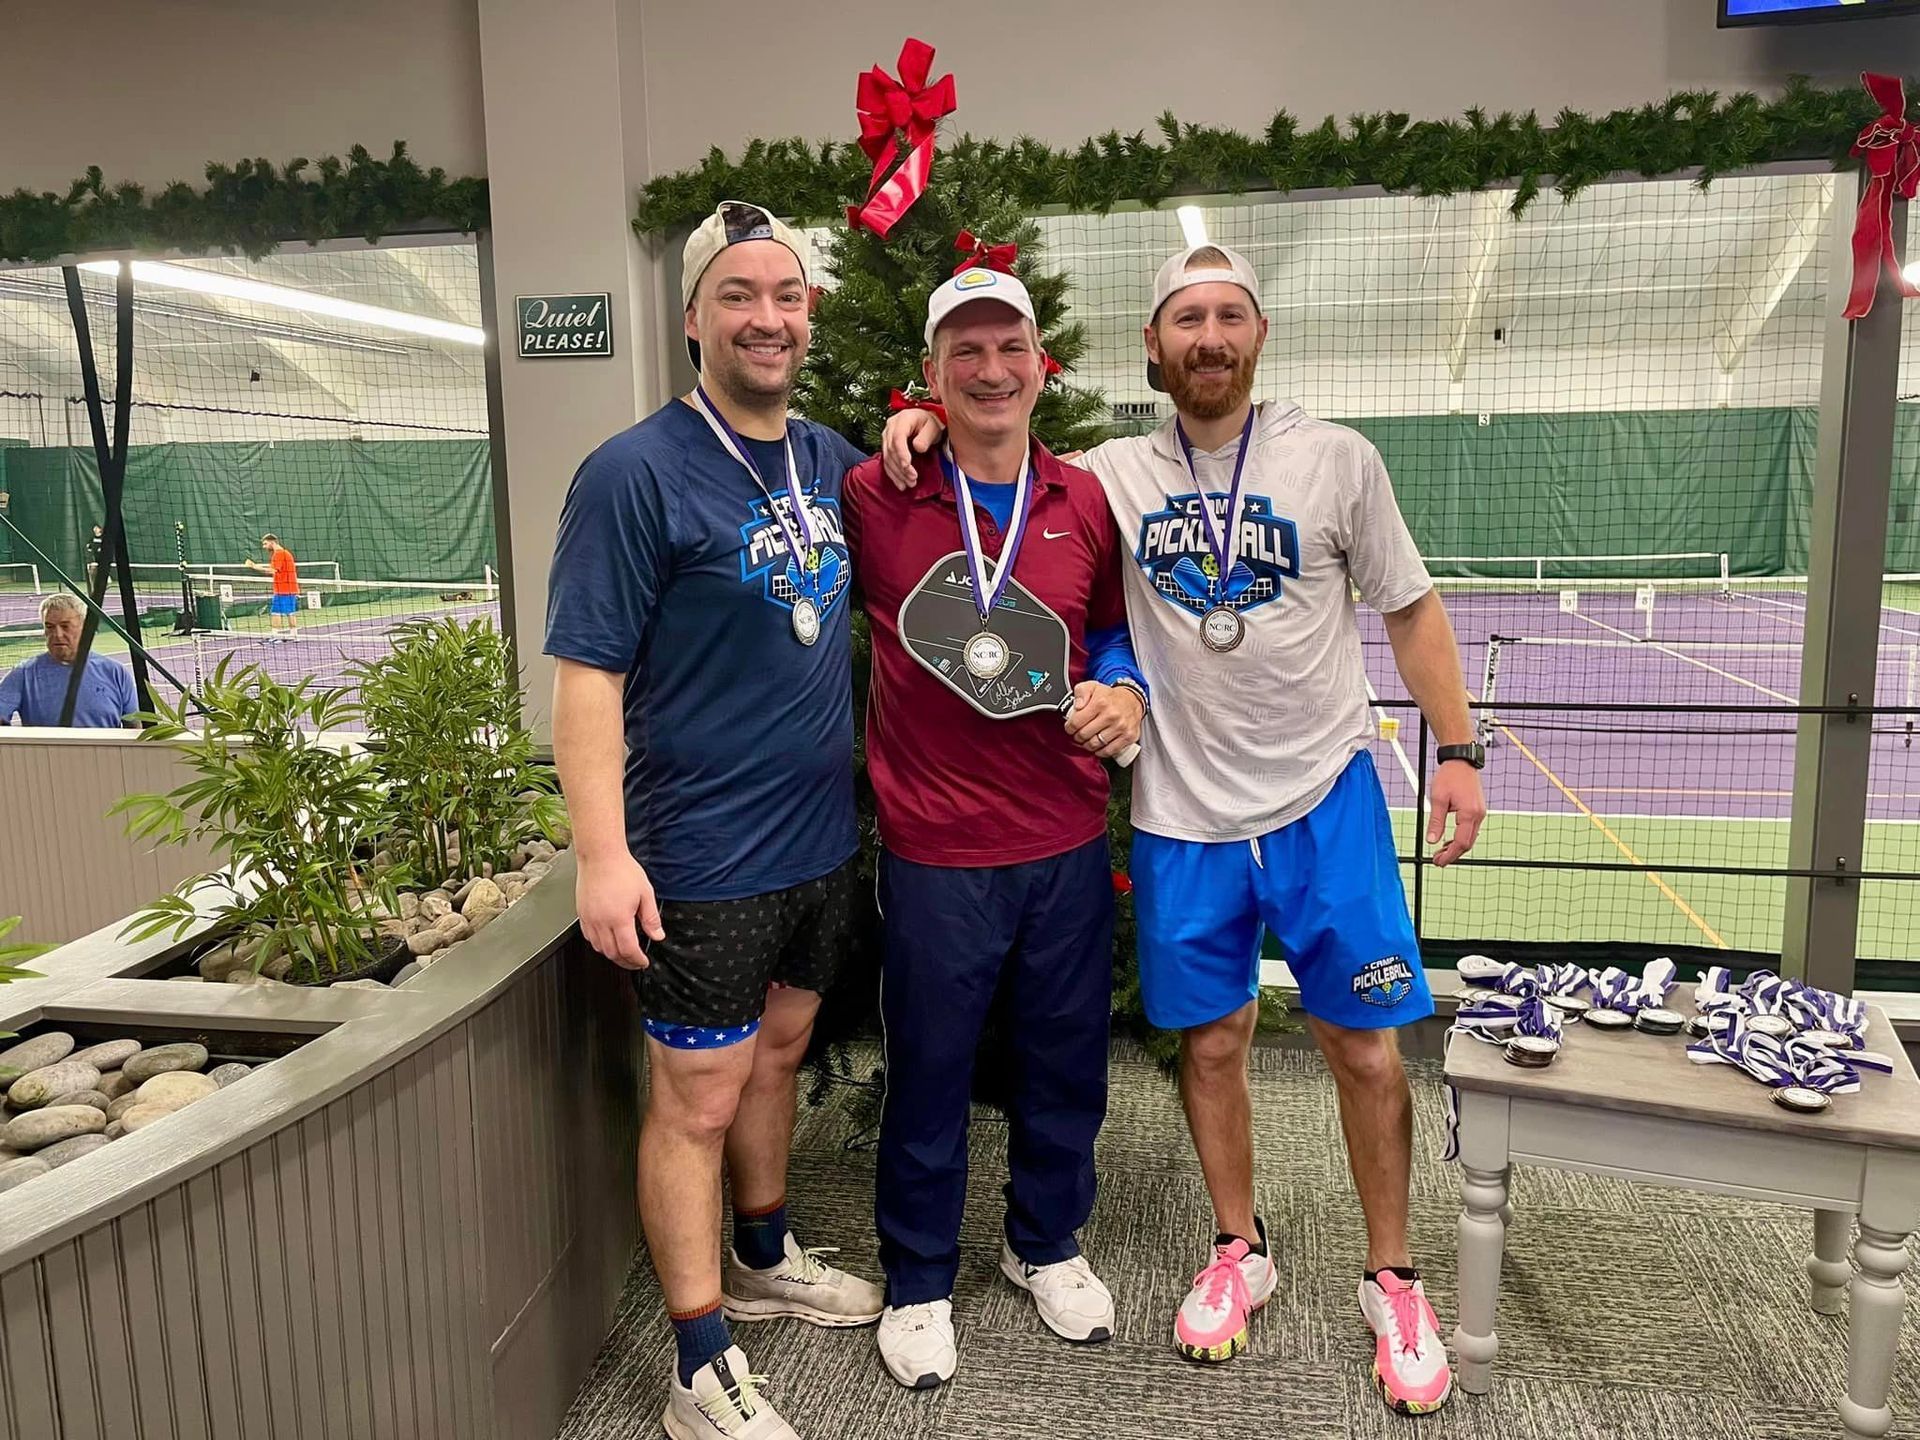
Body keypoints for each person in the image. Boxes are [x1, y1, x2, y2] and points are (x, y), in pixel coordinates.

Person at [882, 242, 1487, 1416]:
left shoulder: (1337, 460)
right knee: (1210, 1046)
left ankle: (1393, 1276)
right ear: (1150, 349)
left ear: (1256, 335)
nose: (1208, 338)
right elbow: (997, 460)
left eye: (1229, 317)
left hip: (1325, 797)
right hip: (1180, 814)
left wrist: (1455, 751)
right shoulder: (1106, 475)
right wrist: (914, 421)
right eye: (1185, 320)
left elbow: (1410, 608)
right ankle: (1234, 1248)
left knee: (1363, 1047)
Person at [545, 199, 881, 1440]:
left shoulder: (830, 458)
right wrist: (604, 854)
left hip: (818, 843)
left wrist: (905, 431)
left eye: (785, 296)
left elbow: (909, 497)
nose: (766, 317)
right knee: (692, 1099)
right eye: (738, 295)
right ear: (694, 319)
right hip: (701, 856)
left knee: (778, 1057)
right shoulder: (632, 475)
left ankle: (763, 1249)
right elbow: (589, 678)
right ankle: (697, 1364)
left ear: (809, 315)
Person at [842, 263, 1148, 1390]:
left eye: (1007, 347)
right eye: (963, 351)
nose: (989, 369)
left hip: (1064, 838)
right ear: (931, 374)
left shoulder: (1081, 502)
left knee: (1066, 1061)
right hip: (933, 852)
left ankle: (1046, 1244)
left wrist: (1128, 690)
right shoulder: (877, 493)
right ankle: (920, 1278)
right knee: (927, 1070)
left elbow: (1110, 633)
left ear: (1039, 364)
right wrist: (892, 430)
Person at [0, 592, 137, 728]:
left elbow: (134, 727)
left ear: (85, 628)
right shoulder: (23, 674)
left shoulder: (116, 673)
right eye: (50, 627)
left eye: (65, 626)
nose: (57, 635)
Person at [242, 534, 299, 641]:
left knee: (275, 612)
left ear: (272, 542)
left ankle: (275, 636)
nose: (264, 547)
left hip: (283, 589)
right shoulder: (285, 553)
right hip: (290, 587)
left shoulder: (279, 554)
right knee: (290, 612)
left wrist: (254, 567)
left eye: (265, 544)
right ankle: (294, 635)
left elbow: (271, 570)